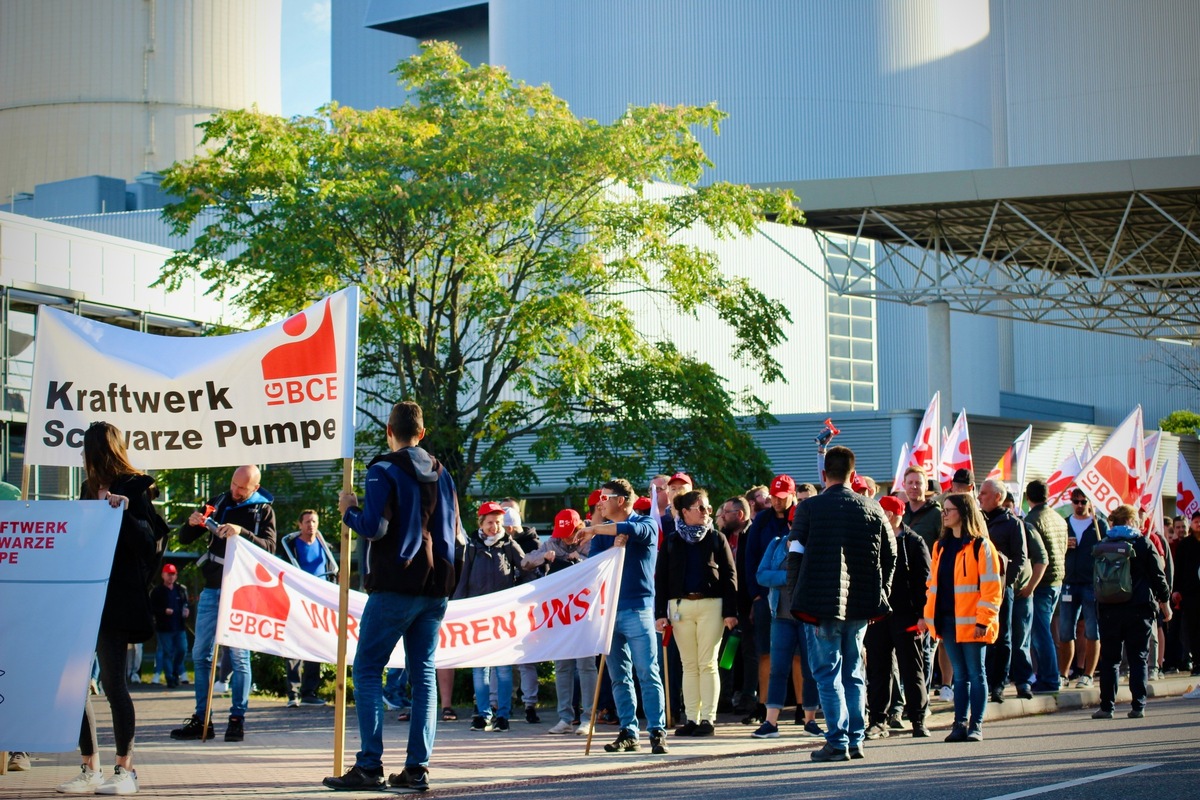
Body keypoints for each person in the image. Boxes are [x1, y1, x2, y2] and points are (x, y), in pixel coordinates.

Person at [323, 401, 461, 792]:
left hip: (395, 583)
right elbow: (457, 529)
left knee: (367, 669)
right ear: (422, 433)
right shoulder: (443, 474)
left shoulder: (383, 469)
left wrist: (349, 510)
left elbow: (375, 527)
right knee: (423, 675)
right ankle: (417, 769)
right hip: (436, 586)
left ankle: (369, 766)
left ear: (389, 430)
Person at [57, 421, 169, 796]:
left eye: (87, 450)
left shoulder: (136, 487)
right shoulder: (87, 491)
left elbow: (151, 542)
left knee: (112, 682)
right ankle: (89, 766)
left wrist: (124, 512)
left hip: (116, 597)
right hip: (84, 596)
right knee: (73, 684)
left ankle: (125, 770)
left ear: (99, 451)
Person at [788, 446, 896, 763]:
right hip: (861, 604)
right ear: (853, 474)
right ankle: (856, 739)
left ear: (824, 475)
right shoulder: (873, 509)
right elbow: (891, 555)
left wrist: (797, 595)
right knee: (853, 673)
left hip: (821, 605)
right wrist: (882, 592)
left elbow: (794, 555)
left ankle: (837, 740)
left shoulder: (808, 509)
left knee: (828, 674)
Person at [170, 465, 275, 744]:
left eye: (242, 488)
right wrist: (192, 522)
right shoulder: (216, 502)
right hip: (213, 589)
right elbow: (183, 537)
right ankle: (201, 718)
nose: (236, 491)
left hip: (241, 592)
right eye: (233, 484)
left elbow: (270, 548)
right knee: (201, 654)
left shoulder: (262, 510)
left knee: (239, 657)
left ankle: (237, 718)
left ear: (255, 487)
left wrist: (241, 532)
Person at [582, 479, 669, 755]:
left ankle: (657, 730)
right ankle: (628, 731)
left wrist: (595, 527)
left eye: (605, 497)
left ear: (621, 500)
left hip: (638, 608)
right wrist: (613, 547)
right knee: (619, 675)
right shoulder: (603, 536)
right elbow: (594, 566)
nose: (600, 503)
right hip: (610, 611)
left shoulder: (646, 523)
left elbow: (632, 530)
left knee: (647, 671)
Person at [654, 489, 738, 737]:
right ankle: (692, 718)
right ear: (685, 512)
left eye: (708, 508)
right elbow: (662, 580)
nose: (706, 512)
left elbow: (730, 576)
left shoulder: (716, 538)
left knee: (708, 663)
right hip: (680, 607)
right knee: (688, 665)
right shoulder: (671, 541)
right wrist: (661, 613)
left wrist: (731, 611)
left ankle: (708, 720)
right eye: (701, 508)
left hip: (711, 605)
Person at [920, 492, 1002, 743]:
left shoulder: (981, 545)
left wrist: (983, 620)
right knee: (960, 675)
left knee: (976, 674)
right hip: (946, 621)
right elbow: (932, 585)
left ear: (964, 513)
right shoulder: (940, 546)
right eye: (944, 510)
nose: (944, 515)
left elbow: (991, 588)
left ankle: (975, 725)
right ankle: (959, 724)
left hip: (973, 623)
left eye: (949, 510)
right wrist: (928, 616)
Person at [1091, 505, 1173, 719]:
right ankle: (1138, 705)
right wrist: (1165, 602)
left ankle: (1107, 707)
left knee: (1110, 660)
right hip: (1139, 608)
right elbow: (1158, 576)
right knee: (1138, 658)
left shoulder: (1103, 544)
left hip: (1108, 609)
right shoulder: (1143, 543)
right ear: (1133, 522)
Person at [751, 505, 823, 740]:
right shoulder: (776, 544)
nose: (796, 528)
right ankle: (771, 722)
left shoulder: (816, 547)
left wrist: (790, 574)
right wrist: (789, 576)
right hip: (781, 616)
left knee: (810, 669)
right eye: (793, 524)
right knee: (777, 669)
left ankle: (810, 720)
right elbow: (762, 575)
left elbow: (815, 578)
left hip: (808, 617)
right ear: (789, 525)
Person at [454, 501, 527, 733]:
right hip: (478, 616)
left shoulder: (509, 545)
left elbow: (526, 569)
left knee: (503, 668)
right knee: (479, 667)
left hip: (504, 616)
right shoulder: (471, 547)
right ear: (481, 523)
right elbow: (463, 580)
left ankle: (502, 715)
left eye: (498, 522)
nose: (494, 527)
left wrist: (523, 596)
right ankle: (482, 713)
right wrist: (456, 608)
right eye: (489, 523)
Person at [524, 508, 596, 735]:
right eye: (562, 533)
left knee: (586, 666)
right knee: (562, 666)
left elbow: (604, 564)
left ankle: (588, 718)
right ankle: (565, 718)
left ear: (578, 528)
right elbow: (525, 562)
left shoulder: (592, 539)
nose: (566, 538)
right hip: (561, 615)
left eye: (570, 533)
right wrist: (543, 557)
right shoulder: (552, 542)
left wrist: (582, 560)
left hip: (585, 614)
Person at [864, 494, 931, 739]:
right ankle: (878, 721)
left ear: (890, 515)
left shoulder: (914, 542)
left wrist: (923, 615)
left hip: (908, 616)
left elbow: (925, 581)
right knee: (879, 671)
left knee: (911, 669)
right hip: (879, 616)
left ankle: (918, 719)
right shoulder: (873, 540)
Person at [741, 474, 797, 725]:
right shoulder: (761, 522)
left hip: (796, 599)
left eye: (782, 497)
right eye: (774, 496)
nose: (777, 501)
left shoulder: (801, 518)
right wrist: (755, 595)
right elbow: (750, 559)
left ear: (792, 496)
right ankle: (763, 707)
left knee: (798, 655)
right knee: (766, 653)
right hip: (765, 598)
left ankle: (801, 707)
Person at [278, 509, 338, 707]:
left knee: (315, 645)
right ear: (299, 525)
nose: (310, 525)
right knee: (295, 646)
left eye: (313, 521)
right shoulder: (291, 546)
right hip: (297, 600)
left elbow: (332, 572)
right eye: (307, 522)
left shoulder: (325, 546)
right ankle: (292, 693)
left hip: (318, 602)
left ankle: (309, 692)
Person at [978, 478, 1028, 704]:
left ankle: (998, 684)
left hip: (1000, 589)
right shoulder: (977, 520)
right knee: (980, 634)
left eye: (984, 494)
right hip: (976, 589)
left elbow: (1021, 557)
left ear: (998, 496)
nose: (980, 497)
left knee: (1002, 637)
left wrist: (1006, 582)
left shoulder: (1012, 523)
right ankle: (983, 681)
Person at [1057, 489, 1107, 688]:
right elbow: (1055, 549)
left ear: (1089, 502)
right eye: (1075, 501)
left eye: (1082, 501)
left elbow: (1106, 552)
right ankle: (1063, 674)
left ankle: (1087, 674)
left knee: (1092, 631)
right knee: (1065, 631)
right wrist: (1064, 545)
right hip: (1068, 582)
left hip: (1091, 584)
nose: (1079, 505)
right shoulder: (1064, 523)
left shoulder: (1099, 524)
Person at [500, 498, 543, 723]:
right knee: (500, 658)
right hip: (504, 608)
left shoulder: (532, 546)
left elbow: (536, 573)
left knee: (526, 660)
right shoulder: (498, 543)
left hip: (524, 608)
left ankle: (529, 704)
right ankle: (500, 703)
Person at [1022, 479, 1067, 695]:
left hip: (1040, 582)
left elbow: (1032, 554)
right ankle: (1049, 675)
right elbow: (1064, 548)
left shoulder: (1031, 519)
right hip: (1057, 580)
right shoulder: (1059, 519)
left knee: (1041, 634)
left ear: (1027, 497)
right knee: (1045, 631)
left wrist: (1029, 585)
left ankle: (1049, 677)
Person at [149, 564, 189, 689]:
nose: (171, 577)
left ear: (176, 575)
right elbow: (152, 608)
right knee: (167, 653)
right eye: (168, 574)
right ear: (163, 575)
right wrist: (163, 611)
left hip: (179, 627)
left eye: (173, 574)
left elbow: (186, 604)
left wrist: (186, 610)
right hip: (164, 628)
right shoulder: (157, 591)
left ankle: (176, 671)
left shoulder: (181, 589)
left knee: (182, 649)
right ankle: (170, 678)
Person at [1173, 511, 1200, 675]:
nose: (1199, 524)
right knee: (1194, 630)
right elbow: (1179, 570)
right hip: (1191, 596)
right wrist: (1176, 590)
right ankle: (1197, 662)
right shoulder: (1185, 545)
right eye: (1196, 521)